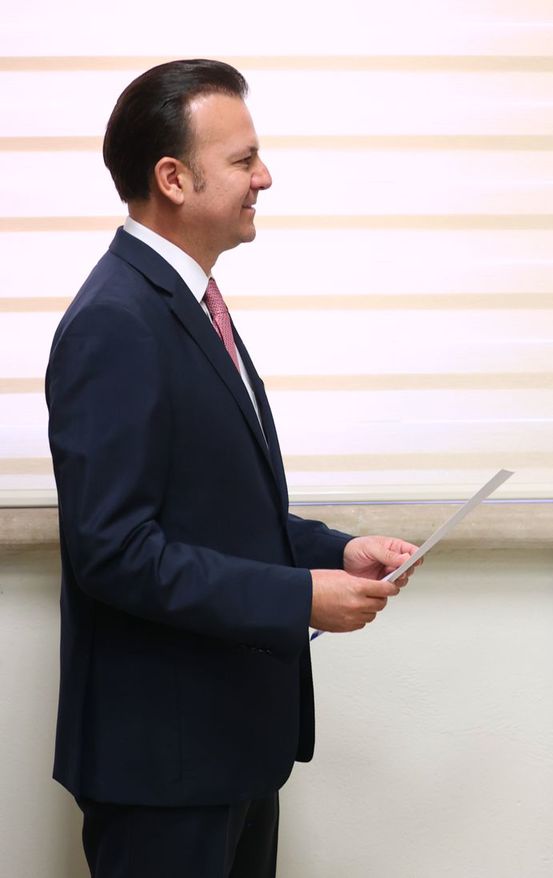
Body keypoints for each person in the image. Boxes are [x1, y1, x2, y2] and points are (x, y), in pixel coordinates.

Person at [46, 59, 421, 878]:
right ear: (173, 178)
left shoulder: (185, 302)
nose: (266, 177)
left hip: (227, 751)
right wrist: (298, 596)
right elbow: (113, 551)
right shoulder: (117, 321)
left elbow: (210, 508)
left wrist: (333, 551)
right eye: (245, 159)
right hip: (164, 768)